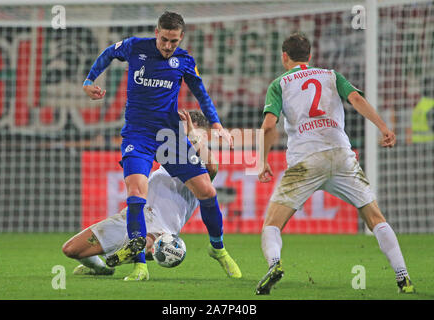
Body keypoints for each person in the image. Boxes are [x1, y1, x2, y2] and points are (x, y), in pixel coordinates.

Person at [255, 33, 414, 295]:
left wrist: (262, 161)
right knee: (375, 217)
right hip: (341, 155)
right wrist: (384, 127)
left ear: (284, 57)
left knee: (272, 224)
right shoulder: (330, 75)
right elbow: (357, 100)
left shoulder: (279, 84)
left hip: (305, 160)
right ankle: (403, 277)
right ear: (310, 56)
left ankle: (274, 265)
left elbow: (269, 126)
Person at [82, 11, 238, 276]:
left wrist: (216, 124)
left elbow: (201, 92)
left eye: (174, 41)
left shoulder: (185, 61)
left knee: (208, 192)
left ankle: (218, 248)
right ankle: (140, 265)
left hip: (169, 136)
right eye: (164, 39)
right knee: (135, 194)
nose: (168, 46)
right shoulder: (135, 47)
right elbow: (109, 52)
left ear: (181, 38)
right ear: (156, 33)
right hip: (137, 135)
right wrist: (89, 81)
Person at [62, 110, 241, 280]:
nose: (184, 135)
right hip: (131, 219)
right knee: (70, 249)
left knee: (147, 244)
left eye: (192, 131)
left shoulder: (200, 174)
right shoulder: (165, 162)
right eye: (181, 129)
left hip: (160, 229)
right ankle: (101, 267)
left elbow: (212, 167)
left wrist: (193, 137)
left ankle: (132, 252)